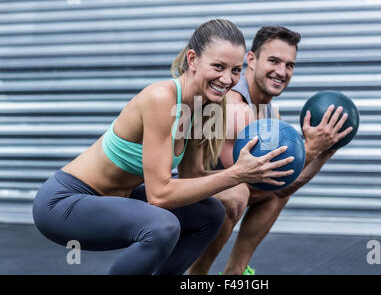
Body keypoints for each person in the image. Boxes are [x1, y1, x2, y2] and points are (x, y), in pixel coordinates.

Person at [32, 19, 296, 275]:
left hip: (117, 198)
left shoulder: (205, 107)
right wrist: (236, 174)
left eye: (235, 70)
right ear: (193, 60)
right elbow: (159, 195)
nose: (227, 79)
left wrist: (248, 174)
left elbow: (193, 180)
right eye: (218, 66)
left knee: (209, 214)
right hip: (65, 202)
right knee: (162, 225)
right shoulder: (161, 98)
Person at [188, 26, 353, 275]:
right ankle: (196, 276)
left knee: (278, 194)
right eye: (274, 61)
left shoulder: (269, 112)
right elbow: (250, 180)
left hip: (222, 191)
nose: (282, 72)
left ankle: (235, 273)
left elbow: (282, 186)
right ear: (252, 60)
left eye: (289, 65)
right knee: (237, 194)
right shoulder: (233, 106)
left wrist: (322, 153)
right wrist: (309, 148)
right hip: (181, 188)